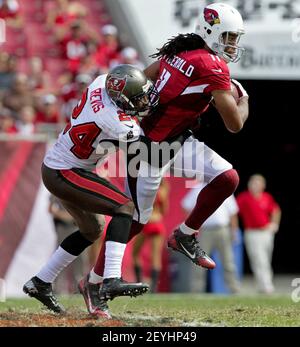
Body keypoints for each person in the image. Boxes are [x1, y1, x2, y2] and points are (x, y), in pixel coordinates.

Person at [84, 2, 249, 312]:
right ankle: (93, 282)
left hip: (173, 140)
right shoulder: (212, 66)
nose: (232, 44)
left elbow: (141, 80)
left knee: (227, 177)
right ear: (211, 32)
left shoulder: (180, 54)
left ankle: (185, 235)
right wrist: (245, 100)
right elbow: (235, 124)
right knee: (135, 222)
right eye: (228, 37)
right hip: (149, 149)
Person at [23, 64, 159, 318]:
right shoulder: (118, 123)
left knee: (92, 229)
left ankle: (41, 282)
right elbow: (145, 151)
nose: (143, 102)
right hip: (65, 171)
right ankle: (111, 279)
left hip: (63, 165)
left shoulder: (101, 82)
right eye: (137, 98)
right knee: (124, 207)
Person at [182, 183, 240, 293]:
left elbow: (233, 212)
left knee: (228, 261)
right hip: (205, 230)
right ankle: (196, 291)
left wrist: (234, 231)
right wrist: (192, 226)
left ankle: (234, 289)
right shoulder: (198, 188)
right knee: (199, 261)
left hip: (222, 229)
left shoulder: (225, 188)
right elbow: (186, 206)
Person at [236, 174, 281, 294]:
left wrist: (274, 224)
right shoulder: (244, 197)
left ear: (263, 185)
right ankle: (267, 286)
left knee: (266, 259)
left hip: (266, 232)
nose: (254, 185)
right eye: (253, 183)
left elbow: (276, 210)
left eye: (257, 183)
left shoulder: (267, 197)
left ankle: (262, 284)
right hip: (252, 233)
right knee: (259, 259)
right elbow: (234, 212)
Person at [132, 178, 169, 293]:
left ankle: (138, 282)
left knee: (135, 254)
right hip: (157, 222)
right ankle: (154, 288)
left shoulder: (144, 190)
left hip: (145, 223)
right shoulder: (162, 191)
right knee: (155, 256)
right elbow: (164, 210)